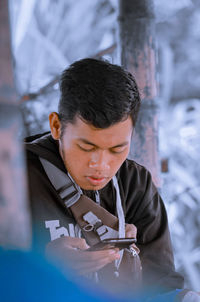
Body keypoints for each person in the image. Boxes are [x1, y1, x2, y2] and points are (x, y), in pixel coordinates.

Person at [25, 58, 186, 299]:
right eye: (86, 147)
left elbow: (160, 286)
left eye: (117, 149)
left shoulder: (136, 184)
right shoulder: (14, 178)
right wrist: (40, 268)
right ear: (57, 126)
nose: (101, 165)